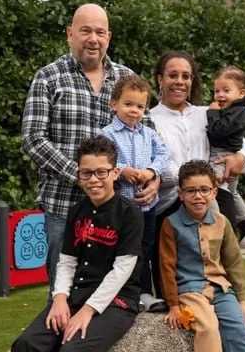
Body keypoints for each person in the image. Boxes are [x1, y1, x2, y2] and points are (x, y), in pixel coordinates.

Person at [21, 3, 159, 298]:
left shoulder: (127, 79)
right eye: (85, 31)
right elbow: (33, 138)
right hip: (64, 206)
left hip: (119, 209)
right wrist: (83, 176)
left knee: (118, 290)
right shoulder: (49, 77)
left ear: (109, 36)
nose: (93, 39)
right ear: (70, 33)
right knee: (63, 292)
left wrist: (154, 177)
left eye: (99, 32)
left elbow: (149, 136)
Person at [12, 136, 144, 352]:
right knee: (26, 344)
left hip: (116, 300)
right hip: (76, 294)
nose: (94, 179)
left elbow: (122, 270)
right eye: (86, 173)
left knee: (71, 350)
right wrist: (59, 299)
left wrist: (87, 310)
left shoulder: (130, 213)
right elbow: (67, 262)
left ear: (115, 173)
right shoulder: (76, 211)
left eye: (101, 172)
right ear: (79, 175)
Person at [149, 50, 245, 299]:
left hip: (214, 201)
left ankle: (227, 316)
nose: (180, 81)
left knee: (220, 272)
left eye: (186, 76)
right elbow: (155, 162)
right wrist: (190, 183)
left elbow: (241, 141)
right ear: (160, 79)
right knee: (170, 278)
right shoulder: (150, 119)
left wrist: (241, 157)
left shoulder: (205, 113)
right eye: (173, 75)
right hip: (169, 205)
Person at [160, 160, 245, 352]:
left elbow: (234, 263)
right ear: (180, 194)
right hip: (189, 290)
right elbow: (166, 267)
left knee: (239, 329)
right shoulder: (171, 224)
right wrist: (173, 305)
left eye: (204, 190)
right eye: (190, 191)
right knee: (208, 328)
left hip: (221, 289)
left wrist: (241, 302)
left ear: (214, 192)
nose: (198, 196)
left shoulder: (222, 222)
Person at [101, 75, 170, 312]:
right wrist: (122, 170)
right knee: (123, 251)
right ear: (114, 104)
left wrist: (151, 171)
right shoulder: (106, 134)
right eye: (128, 104)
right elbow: (103, 160)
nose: (134, 111)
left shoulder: (148, 134)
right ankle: (124, 293)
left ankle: (144, 293)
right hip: (121, 208)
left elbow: (163, 155)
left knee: (144, 249)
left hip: (146, 207)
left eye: (140, 107)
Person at [207, 66, 245, 245]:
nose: (220, 95)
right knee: (232, 191)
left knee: (211, 190)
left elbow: (218, 130)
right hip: (229, 155)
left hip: (221, 157)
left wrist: (212, 113)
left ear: (241, 93)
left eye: (226, 90)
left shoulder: (234, 112)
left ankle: (218, 223)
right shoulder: (236, 111)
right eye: (217, 91)